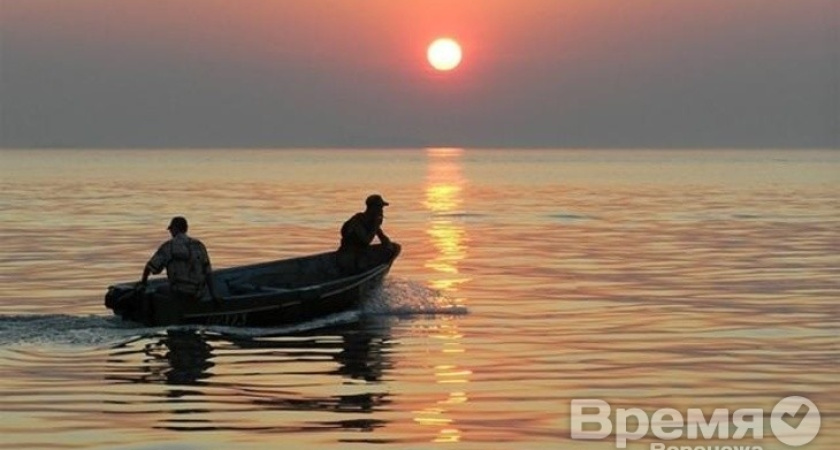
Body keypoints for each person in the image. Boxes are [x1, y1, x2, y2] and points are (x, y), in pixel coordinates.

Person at [139, 216, 220, 305]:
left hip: (179, 293)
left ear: (175, 229)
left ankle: (165, 316)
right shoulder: (199, 245)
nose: (170, 232)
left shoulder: (168, 247)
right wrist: (213, 295)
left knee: (157, 291)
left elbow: (150, 267)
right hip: (198, 294)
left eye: (171, 229)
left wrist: (143, 283)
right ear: (186, 229)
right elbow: (208, 272)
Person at [337, 194, 400, 273]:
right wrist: (375, 226)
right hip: (348, 256)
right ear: (372, 208)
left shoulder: (371, 221)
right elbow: (366, 240)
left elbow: (385, 241)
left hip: (360, 253)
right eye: (380, 208)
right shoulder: (357, 222)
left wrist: (388, 247)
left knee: (395, 247)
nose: (381, 211)